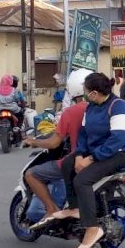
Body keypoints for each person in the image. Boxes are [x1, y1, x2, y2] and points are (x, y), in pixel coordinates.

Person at [57, 73, 125, 248]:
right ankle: (75, 207)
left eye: (86, 92)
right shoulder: (91, 108)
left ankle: (92, 227)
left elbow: (118, 139)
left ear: (94, 93)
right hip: (101, 150)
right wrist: (79, 154)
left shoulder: (119, 107)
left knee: (82, 181)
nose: (85, 94)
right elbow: (84, 133)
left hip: (124, 152)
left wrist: (91, 158)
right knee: (67, 164)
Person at [23, 69, 91, 230]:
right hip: (105, 158)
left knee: (31, 174)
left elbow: (54, 143)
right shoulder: (104, 108)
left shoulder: (71, 112)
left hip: (78, 159)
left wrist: (33, 142)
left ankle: (51, 209)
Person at [0, 75, 23, 149]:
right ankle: (18, 127)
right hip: (12, 109)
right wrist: (19, 102)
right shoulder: (13, 90)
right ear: (10, 81)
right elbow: (17, 99)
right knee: (21, 115)